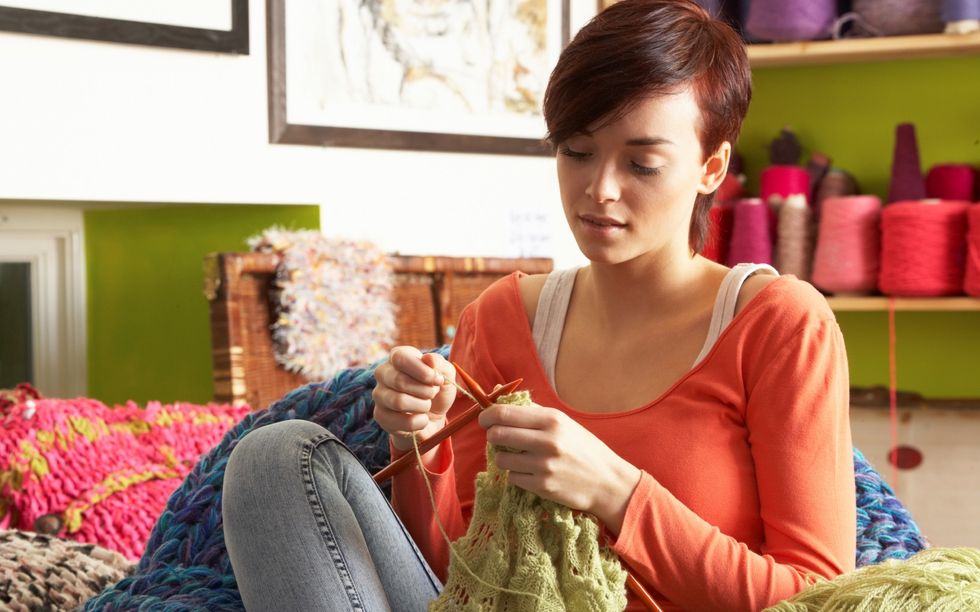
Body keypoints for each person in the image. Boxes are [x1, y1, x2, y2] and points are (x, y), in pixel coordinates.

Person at [221, 1, 856, 610]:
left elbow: (822, 599)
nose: (599, 189)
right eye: (577, 151)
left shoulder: (780, 324)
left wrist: (617, 493)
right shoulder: (503, 318)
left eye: (642, 164)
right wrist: (421, 443)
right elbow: (457, 577)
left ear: (711, 168)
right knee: (275, 456)